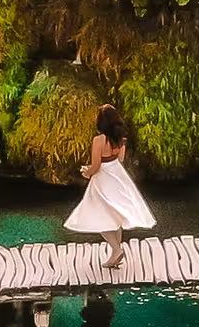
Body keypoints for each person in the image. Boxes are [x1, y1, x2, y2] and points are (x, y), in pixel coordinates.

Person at [64, 104, 155, 270]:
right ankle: (115, 254)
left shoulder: (98, 140)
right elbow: (119, 159)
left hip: (103, 179)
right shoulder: (121, 139)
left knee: (98, 216)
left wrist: (86, 172)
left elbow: (96, 166)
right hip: (117, 175)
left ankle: (116, 249)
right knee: (115, 215)